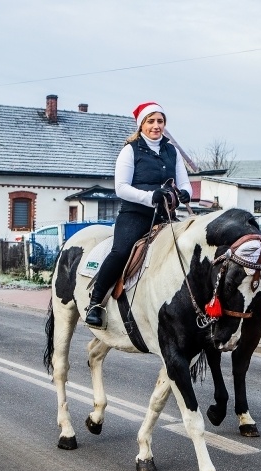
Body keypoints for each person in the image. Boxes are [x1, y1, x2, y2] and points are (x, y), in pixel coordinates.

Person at [84, 102, 193, 328]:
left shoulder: (172, 151)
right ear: (141, 124)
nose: (156, 126)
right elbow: (121, 188)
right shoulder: (130, 150)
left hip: (165, 216)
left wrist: (185, 193)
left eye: (160, 121)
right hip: (135, 214)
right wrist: (150, 196)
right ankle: (95, 302)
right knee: (121, 251)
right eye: (150, 121)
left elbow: (185, 183)